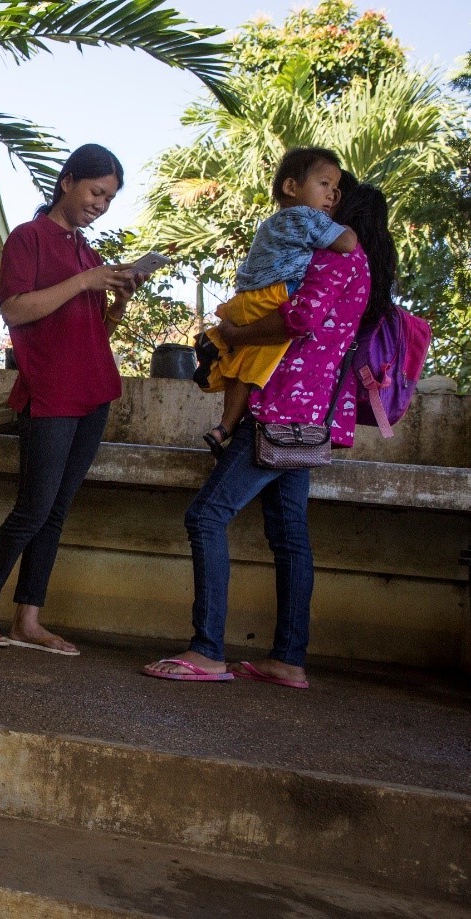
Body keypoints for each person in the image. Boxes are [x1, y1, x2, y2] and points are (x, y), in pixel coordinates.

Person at [143, 180, 395, 687]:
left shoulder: (337, 257)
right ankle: (287, 659)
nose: (324, 203)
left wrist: (235, 334)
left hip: (281, 408)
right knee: (289, 537)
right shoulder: (367, 266)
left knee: (207, 516)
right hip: (313, 418)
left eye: (333, 197)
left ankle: (207, 650)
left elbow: (299, 318)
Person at [0, 144, 144, 654]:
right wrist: (84, 280)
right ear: (67, 181)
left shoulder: (89, 253)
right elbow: (15, 311)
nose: (100, 204)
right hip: (50, 393)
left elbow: (94, 333)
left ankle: (29, 620)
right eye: (95, 191)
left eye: (108, 198)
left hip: (93, 392)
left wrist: (118, 301)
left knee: (57, 509)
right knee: (34, 507)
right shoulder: (30, 238)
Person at [194, 147, 357, 457]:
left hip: (247, 299)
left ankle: (224, 426)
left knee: (247, 360)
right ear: (291, 187)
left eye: (336, 190)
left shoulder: (275, 220)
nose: (331, 196)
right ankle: (214, 347)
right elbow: (347, 243)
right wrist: (348, 225)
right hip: (277, 295)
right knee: (264, 357)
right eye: (324, 185)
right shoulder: (304, 216)